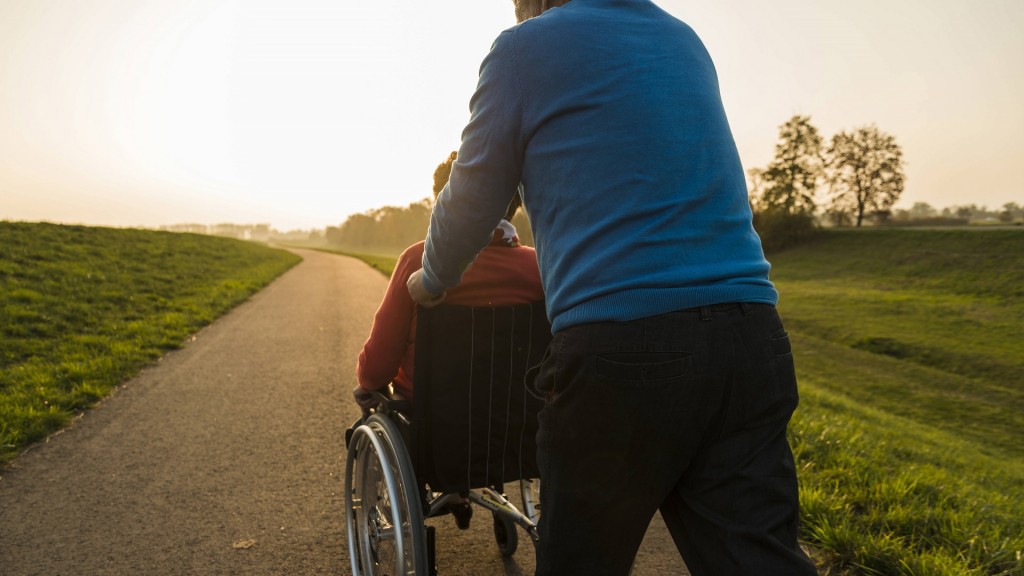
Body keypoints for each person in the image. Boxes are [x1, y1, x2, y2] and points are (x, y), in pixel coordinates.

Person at [406, 1, 818, 575]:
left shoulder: (524, 48)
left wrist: (432, 279)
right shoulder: (683, 38)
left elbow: (473, 192)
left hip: (625, 349)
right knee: (756, 558)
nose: (519, 12)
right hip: (751, 336)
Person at [353, 152, 543, 411]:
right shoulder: (542, 267)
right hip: (518, 423)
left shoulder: (418, 260)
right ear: (514, 205)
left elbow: (376, 369)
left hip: (429, 420)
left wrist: (368, 382)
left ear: (444, 204)